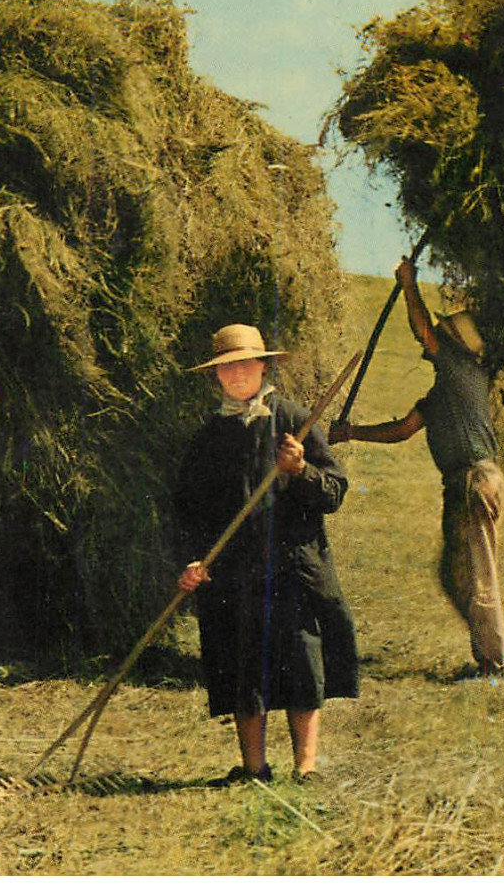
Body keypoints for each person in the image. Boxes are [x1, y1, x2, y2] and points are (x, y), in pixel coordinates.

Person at [173, 324, 357, 785]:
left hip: (294, 568)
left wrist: (300, 470)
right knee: (241, 671)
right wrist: (194, 560)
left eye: (244, 364)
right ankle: (253, 769)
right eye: (226, 367)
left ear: (263, 366)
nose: (236, 374)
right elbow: (187, 508)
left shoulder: (294, 420)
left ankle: (306, 768)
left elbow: (334, 491)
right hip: (232, 575)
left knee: (301, 664)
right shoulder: (209, 437)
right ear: (216, 376)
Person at [328, 259, 504, 677]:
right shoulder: (443, 392)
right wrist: (350, 433)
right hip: (464, 485)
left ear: (454, 342)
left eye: (442, 333)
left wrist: (408, 285)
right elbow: (402, 430)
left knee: (477, 574)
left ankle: (494, 667)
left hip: (475, 480)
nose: (432, 337)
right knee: (453, 574)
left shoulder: (462, 368)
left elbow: (421, 328)